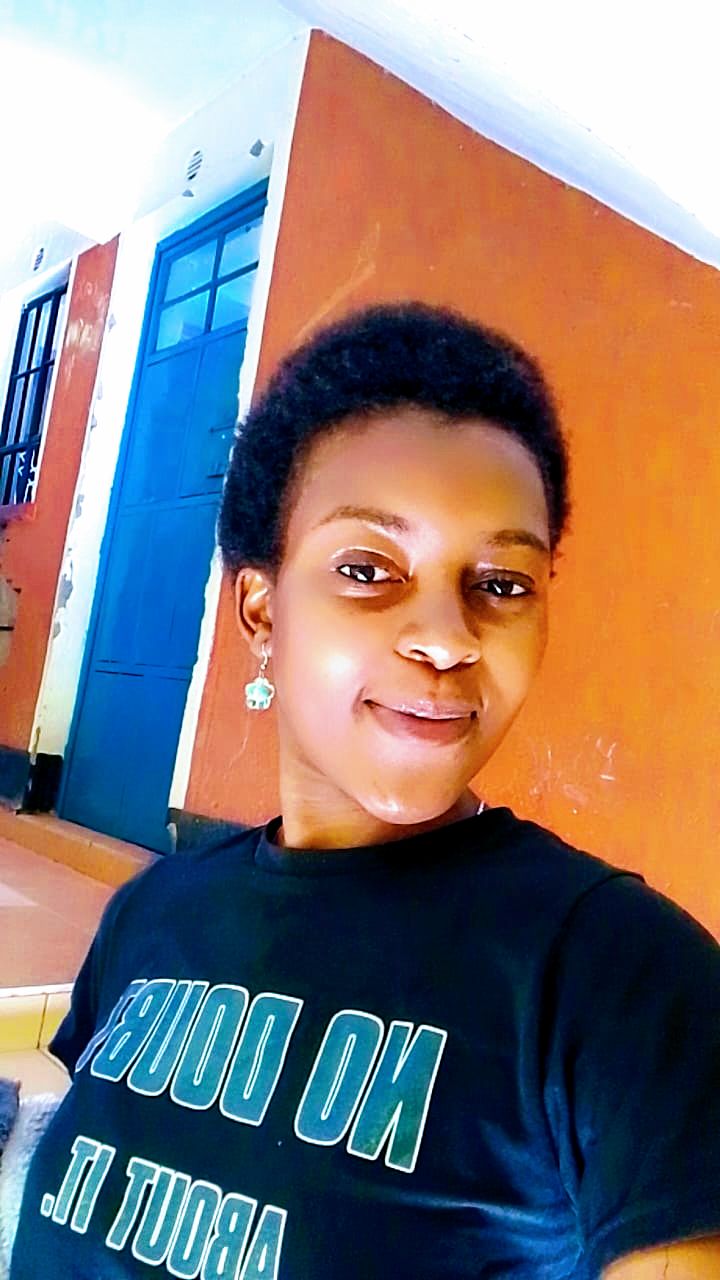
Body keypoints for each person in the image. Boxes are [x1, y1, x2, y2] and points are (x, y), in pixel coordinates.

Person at [4, 302, 720, 1278]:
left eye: (502, 583)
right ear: (262, 609)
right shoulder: (152, 913)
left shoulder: (621, 980)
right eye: (369, 568)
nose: (449, 637)